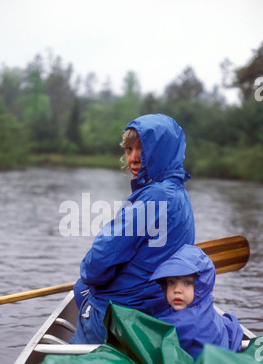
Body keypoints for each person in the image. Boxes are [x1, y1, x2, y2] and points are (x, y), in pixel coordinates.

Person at [71, 113, 195, 344]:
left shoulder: (154, 196)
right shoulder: (179, 194)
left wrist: (88, 277)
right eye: (129, 149)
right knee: (81, 288)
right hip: (155, 310)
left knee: (84, 286)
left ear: (163, 151)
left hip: (121, 315)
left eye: (142, 149)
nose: (134, 158)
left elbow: (99, 260)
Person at [149, 244, 244, 359]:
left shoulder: (186, 322)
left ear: (202, 286)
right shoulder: (205, 304)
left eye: (187, 282)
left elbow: (151, 338)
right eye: (171, 282)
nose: (177, 290)